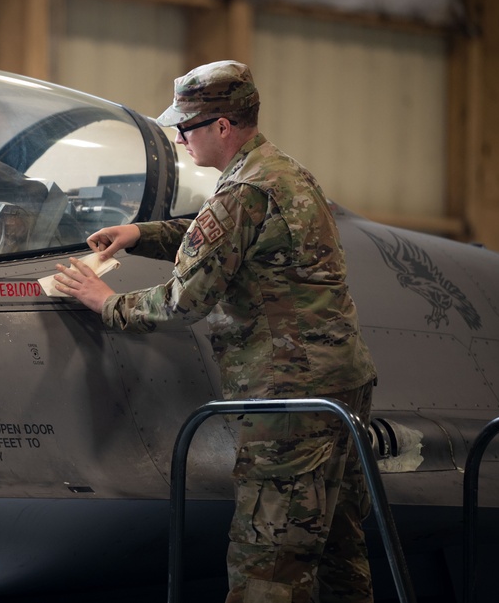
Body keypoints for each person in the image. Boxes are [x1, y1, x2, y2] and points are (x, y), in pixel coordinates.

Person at [53, 60, 377, 603]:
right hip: (340, 391)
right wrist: (140, 233)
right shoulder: (281, 172)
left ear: (223, 126)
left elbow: (183, 301)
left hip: (288, 405)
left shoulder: (241, 193)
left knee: (267, 568)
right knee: (339, 555)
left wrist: (105, 302)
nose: (180, 138)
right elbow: (220, 235)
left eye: (187, 127)